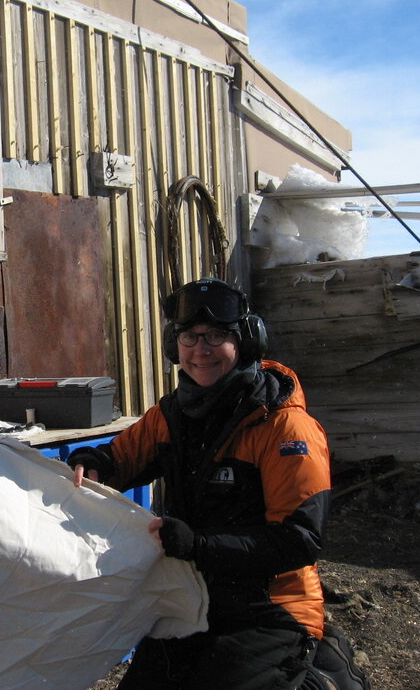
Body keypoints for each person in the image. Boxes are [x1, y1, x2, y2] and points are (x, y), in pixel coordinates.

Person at [69, 278, 368, 690]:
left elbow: (299, 541)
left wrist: (199, 546)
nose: (200, 350)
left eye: (217, 336)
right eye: (189, 336)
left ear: (244, 342)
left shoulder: (284, 426)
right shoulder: (174, 413)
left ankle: (318, 677)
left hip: (270, 607)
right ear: (175, 347)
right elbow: (120, 458)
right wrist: (93, 462)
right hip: (191, 596)